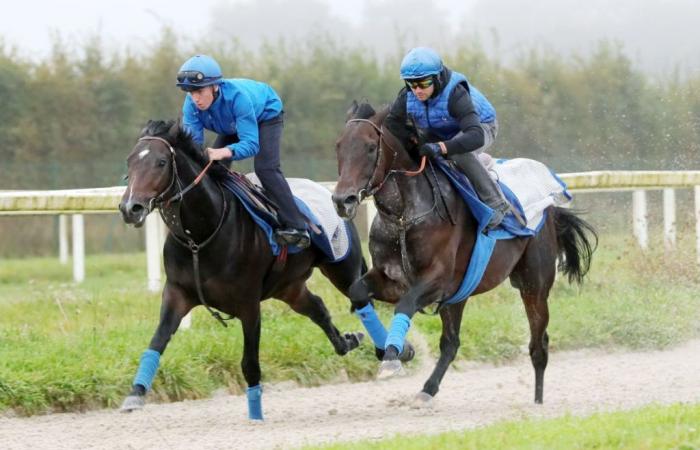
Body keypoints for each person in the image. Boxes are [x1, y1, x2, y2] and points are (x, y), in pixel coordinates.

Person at [176, 54, 310, 248]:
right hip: (230, 125)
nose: (195, 98)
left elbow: (251, 144)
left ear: (215, 86)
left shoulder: (238, 98)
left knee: (266, 168)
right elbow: (194, 146)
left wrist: (223, 151)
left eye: (199, 91)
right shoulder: (191, 105)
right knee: (213, 170)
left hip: (265, 114)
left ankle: (297, 225)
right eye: (189, 92)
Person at [384, 47, 517, 229]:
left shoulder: (456, 93)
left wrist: (441, 148)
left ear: (437, 78)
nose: (417, 90)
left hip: (481, 127)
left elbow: (475, 136)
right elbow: (392, 125)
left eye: (423, 83)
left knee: (459, 154)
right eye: (411, 84)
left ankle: (496, 204)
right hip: (442, 130)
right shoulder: (407, 96)